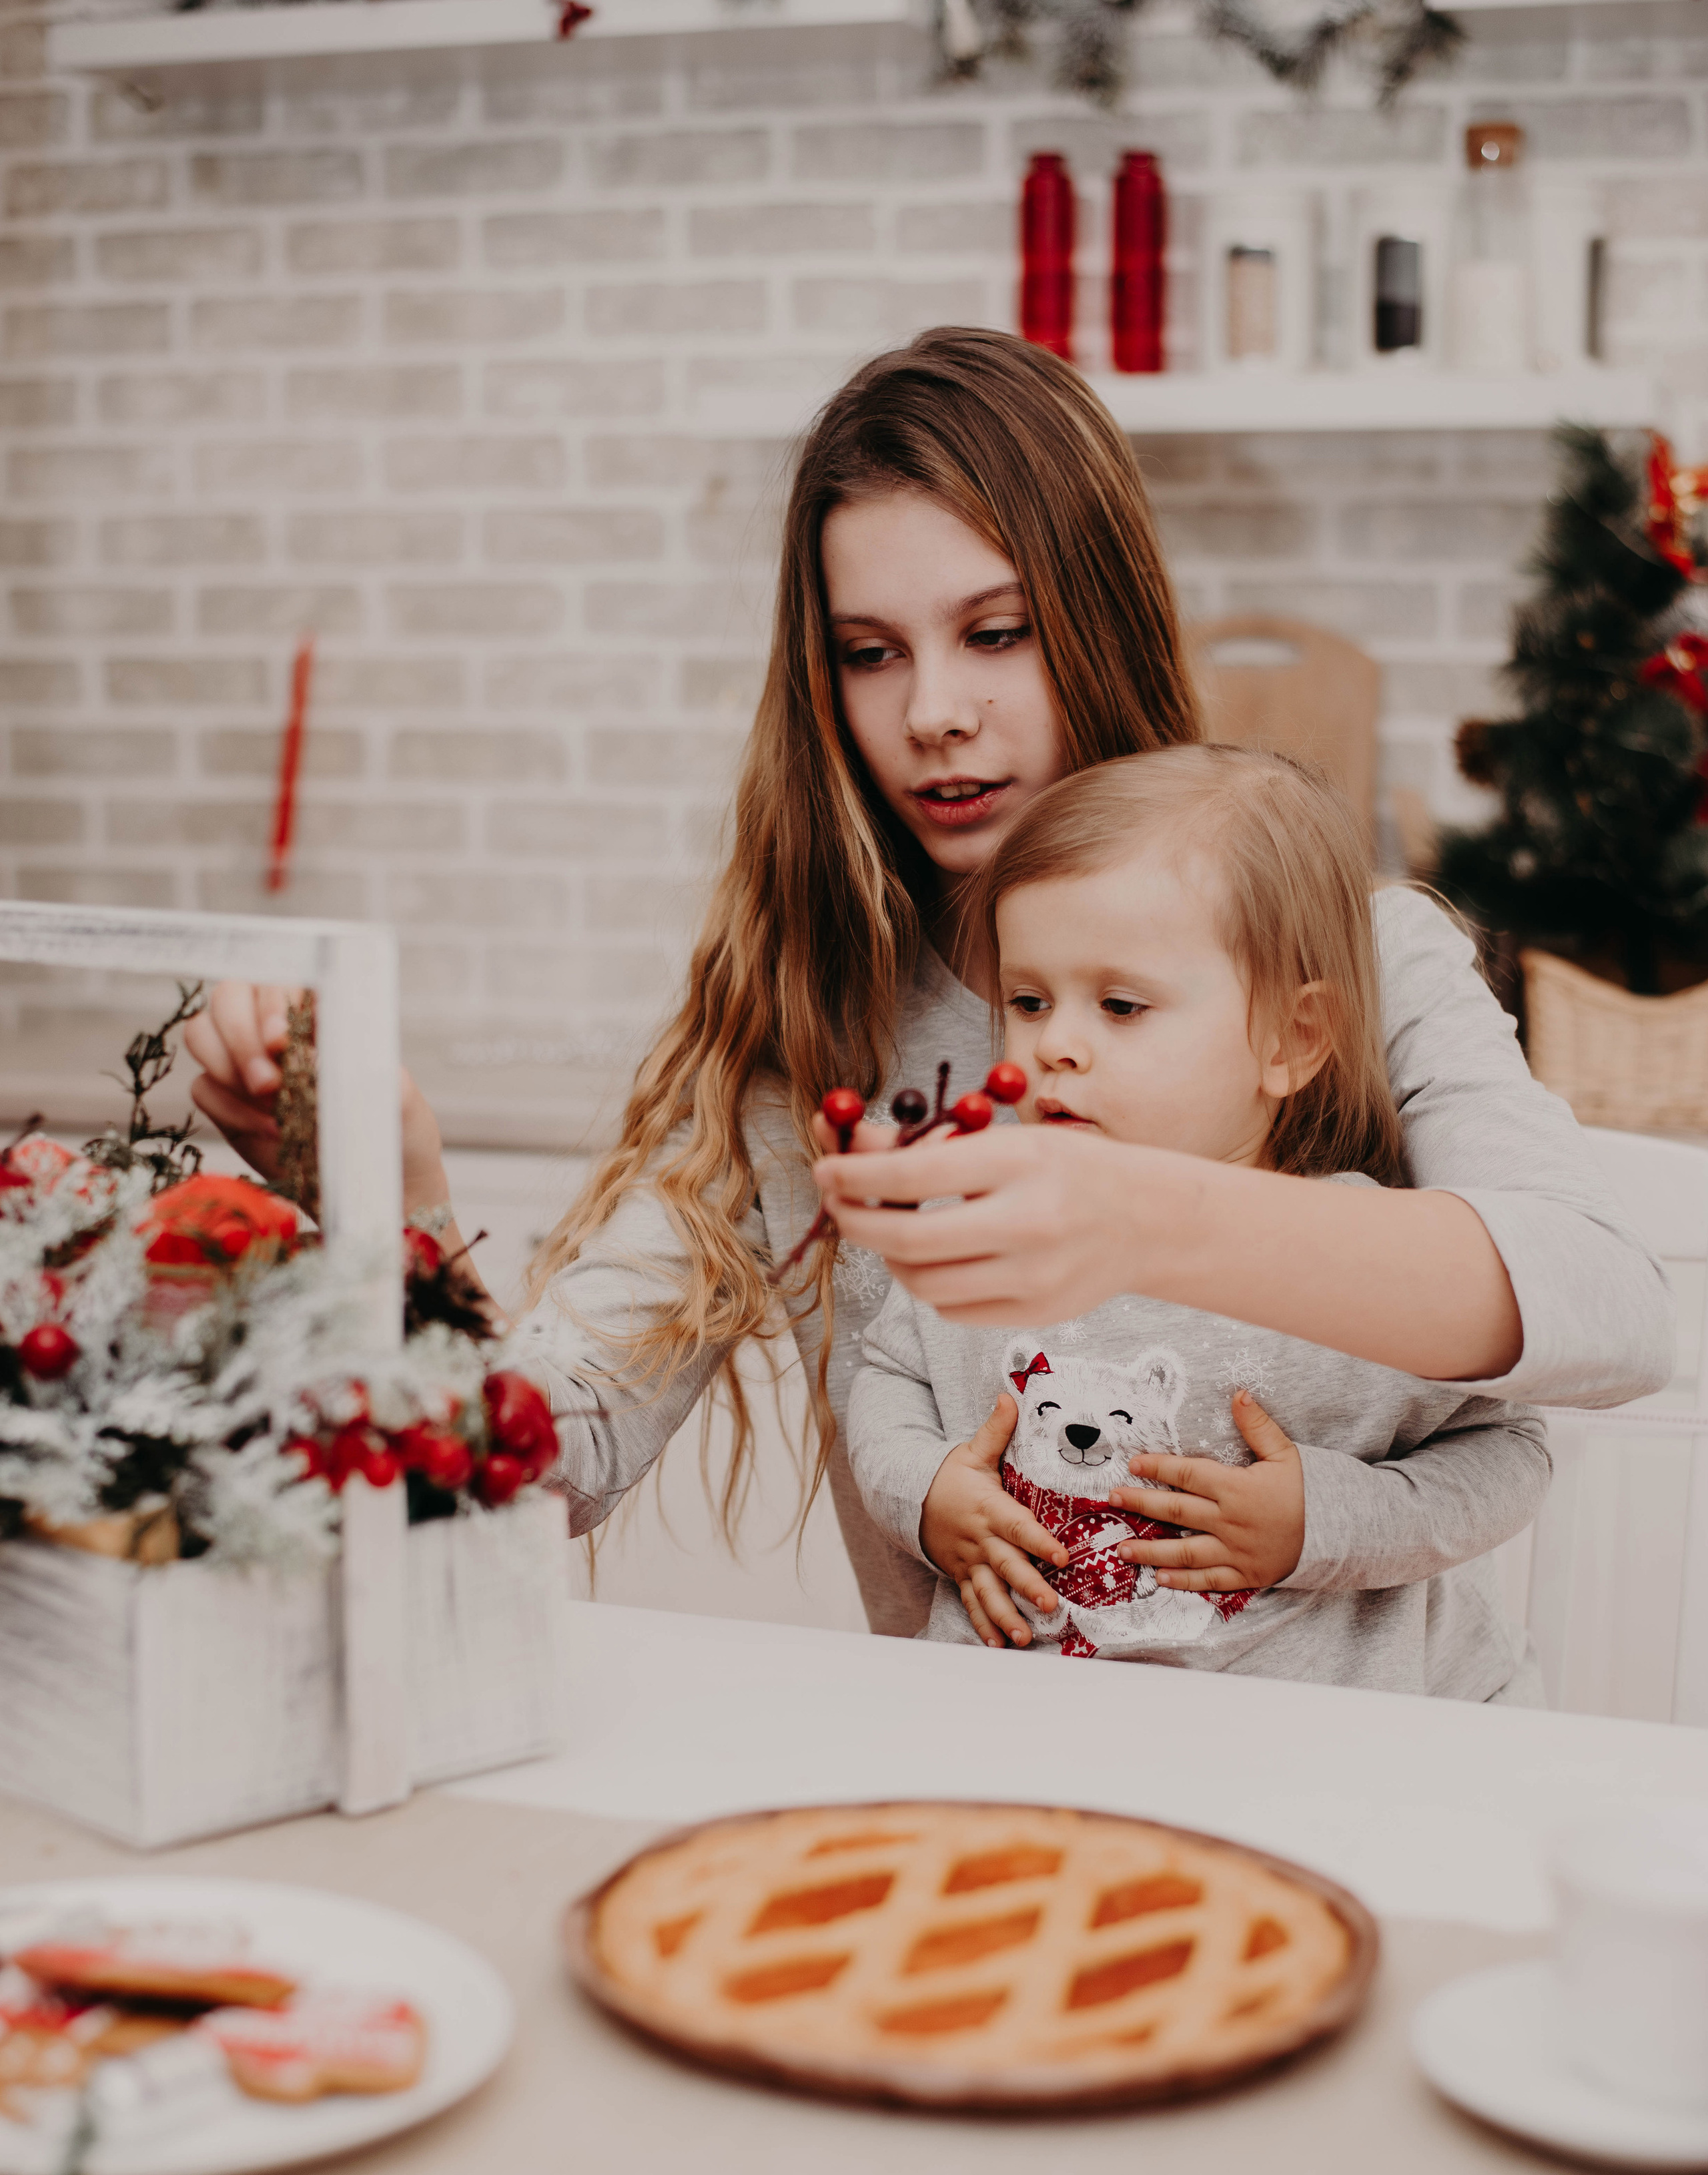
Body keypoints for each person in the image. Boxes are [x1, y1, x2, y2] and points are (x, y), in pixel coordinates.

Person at [185, 327, 1669, 1645]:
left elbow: (1607, 1314)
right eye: (868, 654)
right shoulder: (810, 1031)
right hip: (1002, 1788)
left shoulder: (1349, 947)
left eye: (995, 633)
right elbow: (536, 1461)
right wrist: (393, 1204)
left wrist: (1139, 1214)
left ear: (1102, 616)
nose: (934, 714)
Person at [847, 745, 1549, 1702]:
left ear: (1291, 1040)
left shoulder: (1365, 1257)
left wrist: (1325, 1521)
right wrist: (925, 1495)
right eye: (1027, 1001)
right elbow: (887, 1376)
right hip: (1019, 1745)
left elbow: (1511, 1454)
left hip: (1328, 1766)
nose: (1054, 1045)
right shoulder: (977, 1219)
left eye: (1122, 1005)